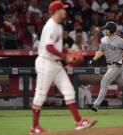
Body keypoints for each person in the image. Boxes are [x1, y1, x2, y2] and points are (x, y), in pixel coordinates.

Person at [30, 1, 97, 134]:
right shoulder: (50, 26)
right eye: (63, 9)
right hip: (45, 62)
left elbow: (57, 47)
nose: (65, 11)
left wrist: (67, 52)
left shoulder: (59, 27)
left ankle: (79, 122)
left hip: (55, 63)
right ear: (56, 11)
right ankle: (35, 127)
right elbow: (48, 47)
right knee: (41, 95)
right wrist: (64, 56)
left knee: (69, 91)